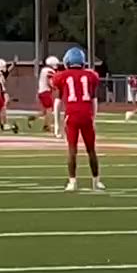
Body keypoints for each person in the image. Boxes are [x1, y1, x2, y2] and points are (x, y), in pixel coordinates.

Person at [52, 47, 105, 192]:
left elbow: (57, 102)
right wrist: (93, 118)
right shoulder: (91, 75)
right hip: (86, 115)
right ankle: (96, 181)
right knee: (91, 150)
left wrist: (56, 123)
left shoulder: (61, 76)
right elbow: (94, 100)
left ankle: (72, 182)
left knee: (72, 150)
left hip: (72, 116)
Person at [29, 56, 59, 133]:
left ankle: (33, 118)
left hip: (41, 91)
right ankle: (47, 126)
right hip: (46, 92)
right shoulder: (49, 70)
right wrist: (55, 87)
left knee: (44, 111)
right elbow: (50, 81)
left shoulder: (44, 70)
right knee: (49, 110)